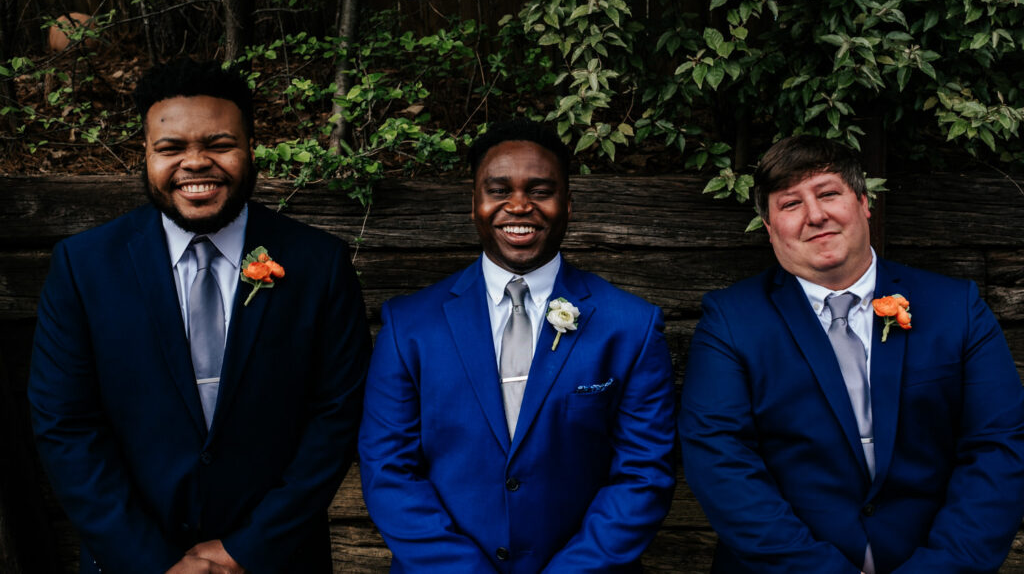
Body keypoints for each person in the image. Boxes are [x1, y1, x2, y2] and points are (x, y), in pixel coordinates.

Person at [28, 58, 372, 574]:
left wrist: (246, 550)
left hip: (277, 556)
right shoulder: (83, 267)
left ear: (250, 148)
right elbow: (65, 425)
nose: (196, 163)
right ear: (145, 154)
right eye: (171, 147)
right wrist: (150, 562)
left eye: (219, 144)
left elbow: (337, 416)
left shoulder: (318, 263)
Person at [679, 135, 1024, 573]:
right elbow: (721, 463)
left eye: (828, 194)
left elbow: (998, 447)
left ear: (863, 203)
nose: (815, 214)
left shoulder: (958, 308)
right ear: (769, 229)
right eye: (790, 204)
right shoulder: (729, 322)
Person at [358, 119, 676, 572]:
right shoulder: (409, 324)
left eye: (540, 191)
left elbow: (643, 476)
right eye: (499, 190)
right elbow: (388, 471)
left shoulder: (632, 326)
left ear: (568, 205)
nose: (520, 205)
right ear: (475, 205)